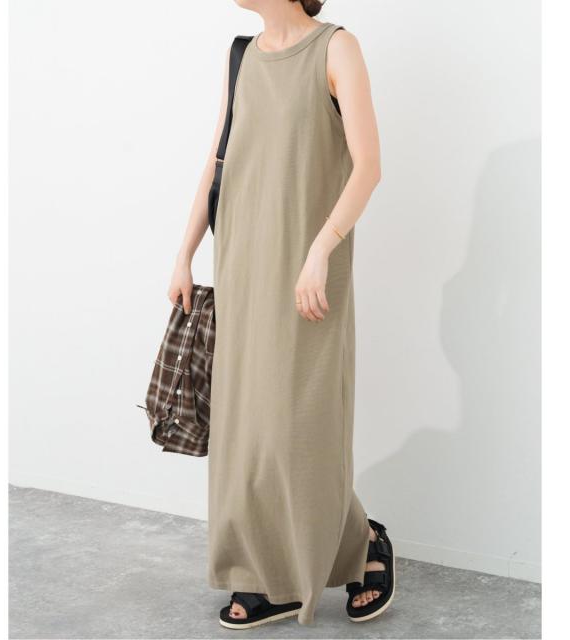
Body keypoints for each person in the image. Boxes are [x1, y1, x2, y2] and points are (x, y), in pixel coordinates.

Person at [168, 0, 394, 628]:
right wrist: (185, 253)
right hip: (243, 262)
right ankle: (260, 574)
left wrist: (322, 249)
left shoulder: (336, 48)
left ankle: (361, 543)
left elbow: (368, 167)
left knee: (301, 425)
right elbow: (218, 160)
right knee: (247, 426)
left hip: (308, 266)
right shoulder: (240, 55)